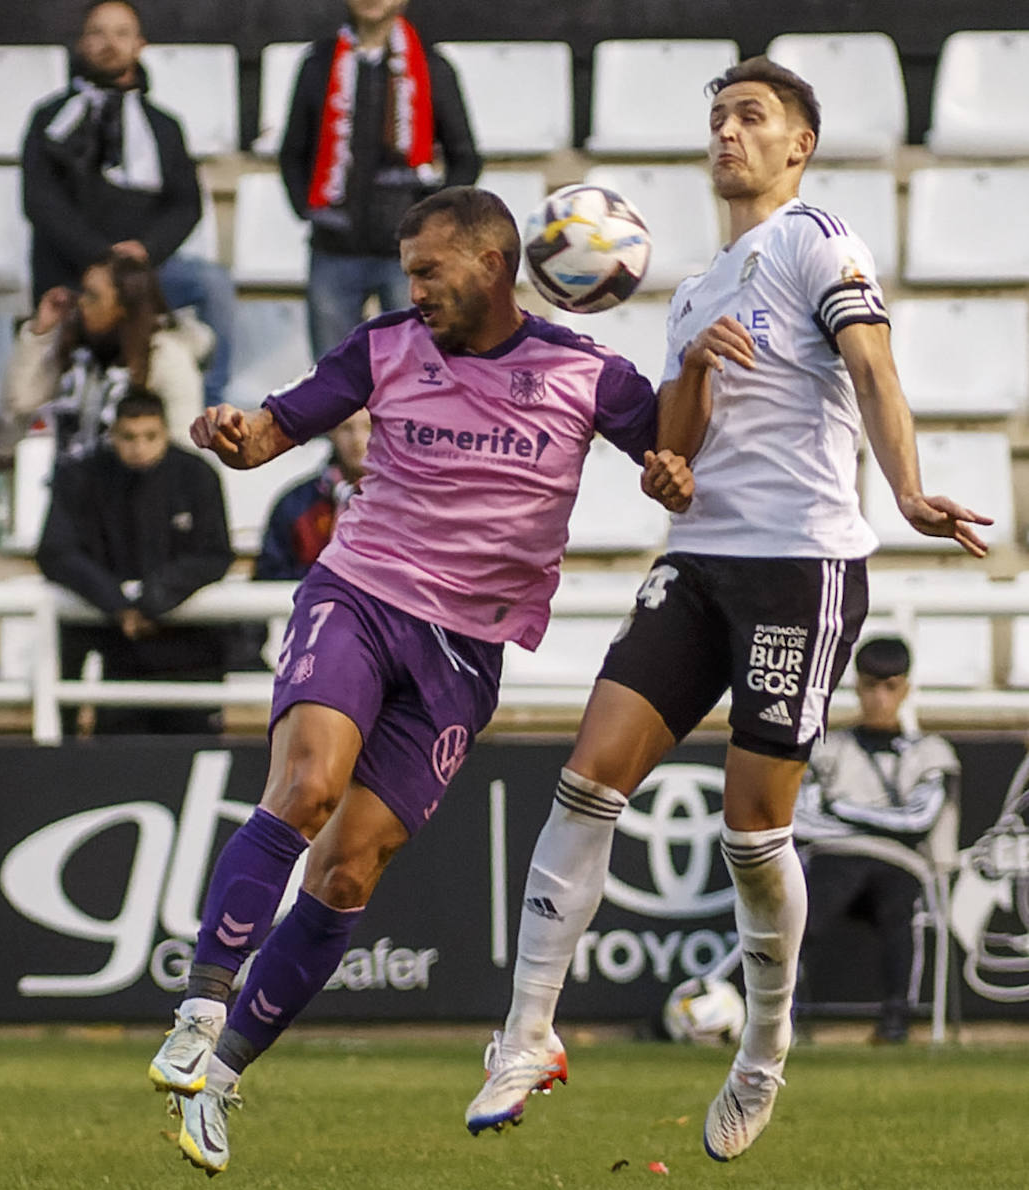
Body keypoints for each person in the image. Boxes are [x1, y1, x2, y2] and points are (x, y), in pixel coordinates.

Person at [463, 57, 992, 1162]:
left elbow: (875, 371)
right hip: (700, 557)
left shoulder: (817, 239)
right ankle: (524, 1031)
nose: (728, 132)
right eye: (716, 116)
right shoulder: (697, 290)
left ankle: (763, 1044)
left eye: (751, 115)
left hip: (801, 562)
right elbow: (676, 455)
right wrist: (678, 422)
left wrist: (903, 488)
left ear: (798, 144)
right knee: (587, 770)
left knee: (753, 828)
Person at [145, 185, 695, 1177]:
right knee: (307, 784)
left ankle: (221, 1076)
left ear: (493, 265)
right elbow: (275, 431)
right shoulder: (384, 346)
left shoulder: (587, 374)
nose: (415, 289)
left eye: (430, 271)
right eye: (409, 274)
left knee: (351, 868)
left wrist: (670, 472)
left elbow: (672, 452)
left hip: (463, 653)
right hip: (358, 596)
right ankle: (198, 1007)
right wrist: (237, 434)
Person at [21, 0, 236, 404]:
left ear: (139, 45)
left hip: (144, 273)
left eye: (121, 34)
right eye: (98, 33)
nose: (109, 43)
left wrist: (145, 250)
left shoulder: (163, 125)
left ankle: (210, 402)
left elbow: (187, 204)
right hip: (73, 271)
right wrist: (101, 258)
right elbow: (39, 202)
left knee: (212, 283)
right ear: (82, 43)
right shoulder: (50, 119)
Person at [280, 0, 481, 359]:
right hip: (333, 248)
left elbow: (464, 157)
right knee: (331, 378)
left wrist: (433, 220)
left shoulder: (432, 66)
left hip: (407, 255)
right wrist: (308, 210)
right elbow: (293, 151)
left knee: (418, 370)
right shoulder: (318, 64)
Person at [36, 386, 233, 736]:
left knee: (189, 750)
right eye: (128, 437)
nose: (139, 447)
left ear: (166, 432)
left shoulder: (197, 476)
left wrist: (154, 599)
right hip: (116, 650)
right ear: (113, 434)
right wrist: (117, 604)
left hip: (189, 649)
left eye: (149, 436)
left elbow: (215, 554)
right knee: (119, 763)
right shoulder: (82, 476)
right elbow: (55, 552)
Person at [794, 635, 960, 1044]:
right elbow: (801, 821)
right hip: (836, 858)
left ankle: (895, 1020)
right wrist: (874, 825)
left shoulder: (931, 752)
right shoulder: (828, 748)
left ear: (905, 689)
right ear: (856, 685)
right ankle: (782, 1017)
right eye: (870, 686)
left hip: (899, 865)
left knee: (899, 908)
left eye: (890, 687)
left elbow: (919, 821)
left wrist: (843, 809)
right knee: (803, 913)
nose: (879, 698)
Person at [0, 249, 213, 459]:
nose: (82, 303)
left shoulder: (165, 356)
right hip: (76, 479)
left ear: (123, 307)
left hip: (143, 484)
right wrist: (40, 333)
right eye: (82, 292)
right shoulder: (77, 349)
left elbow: (184, 443)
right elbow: (22, 402)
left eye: (93, 296)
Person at [253, 409, 369, 581]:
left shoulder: (405, 501)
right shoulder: (296, 503)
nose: (358, 440)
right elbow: (271, 573)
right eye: (346, 428)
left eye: (370, 428)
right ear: (331, 432)